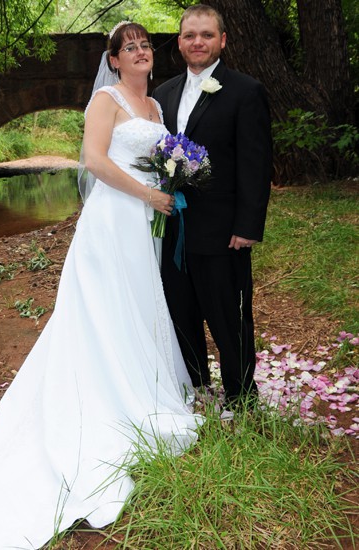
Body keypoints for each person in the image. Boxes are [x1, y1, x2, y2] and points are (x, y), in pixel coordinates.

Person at [0, 22, 204, 550]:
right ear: (114, 60)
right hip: (115, 219)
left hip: (145, 224)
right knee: (102, 309)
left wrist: (169, 186)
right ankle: (103, 402)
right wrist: (147, 192)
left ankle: (143, 388)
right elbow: (94, 160)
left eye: (145, 45)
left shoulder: (158, 109)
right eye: (130, 47)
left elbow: (160, 163)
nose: (141, 52)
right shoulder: (106, 98)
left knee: (139, 304)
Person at [153, 5, 272, 410]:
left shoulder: (245, 90)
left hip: (223, 230)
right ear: (180, 42)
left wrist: (248, 224)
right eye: (190, 35)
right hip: (173, 227)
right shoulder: (162, 95)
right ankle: (196, 389)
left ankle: (241, 397)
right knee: (181, 312)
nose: (197, 42)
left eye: (206, 35)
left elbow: (255, 165)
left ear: (222, 40)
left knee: (228, 317)